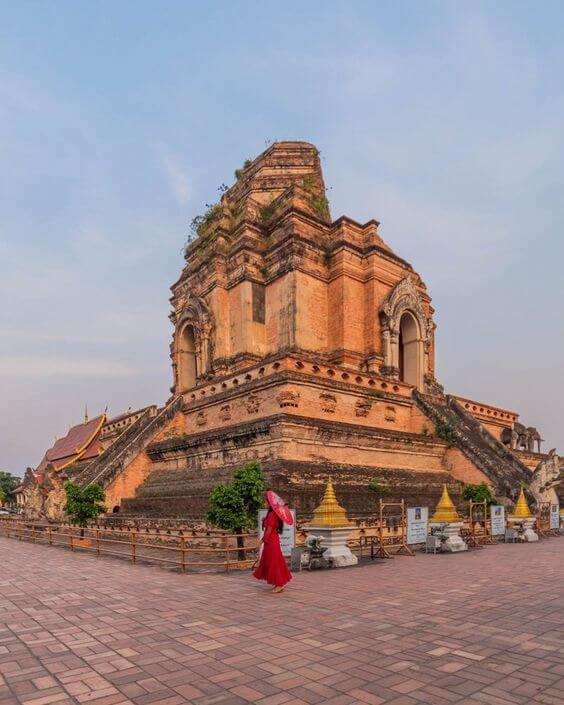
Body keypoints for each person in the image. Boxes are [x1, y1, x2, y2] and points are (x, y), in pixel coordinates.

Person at [253, 502, 292, 593]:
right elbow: (270, 528)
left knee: (273, 562)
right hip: (273, 540)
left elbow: (268, 532)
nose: (266, 503)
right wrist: (264, 521)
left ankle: (279, 584)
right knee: (275, 561)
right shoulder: (275, 514)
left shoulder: (271, 514)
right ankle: (278, 583)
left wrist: (260, 542)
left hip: (271, 541)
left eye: (267, 502)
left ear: (271, 504)